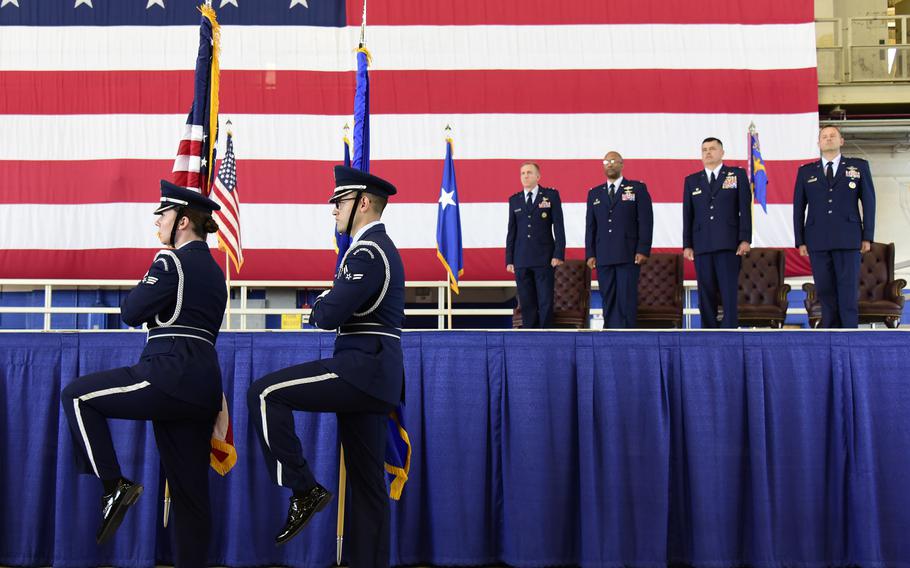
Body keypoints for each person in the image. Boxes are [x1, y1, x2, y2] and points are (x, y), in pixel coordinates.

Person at [61, 180, 227, 566]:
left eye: (164, 214)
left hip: (169, 373)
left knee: (77, 395)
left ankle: (114, 484)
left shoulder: (170, 261)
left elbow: (131, 311)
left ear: (183, 221)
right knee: (191, 496)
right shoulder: (216, 272)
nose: (157, 220)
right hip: (204, 385)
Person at [247, 166, 404, 567]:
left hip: (360, 366)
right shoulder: (378, 249)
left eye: (341, 201)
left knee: (264, 393)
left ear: (363, 204)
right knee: (368, 485)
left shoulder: (367, 252)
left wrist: (321, 301)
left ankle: (303, 488)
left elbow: (328, 314)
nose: (333, 208)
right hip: (376, 370)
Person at [793, 125, 875, 328]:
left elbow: (869, 202)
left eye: (832, 136)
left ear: (841, 141)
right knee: (825, 290)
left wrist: (867, 236)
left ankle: (849, 333)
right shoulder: (806, 172)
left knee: (847, 290)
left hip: (848, 237)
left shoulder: (858, 167)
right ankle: (829, 333)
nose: (828, 139)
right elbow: (798, 207)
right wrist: (800, 239)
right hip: (817, 239)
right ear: (818, 143)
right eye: (824, 136)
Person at [682, 137, 752, 328]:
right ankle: (708, 329)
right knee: (705, 291)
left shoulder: (736, 175)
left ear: (722, 152)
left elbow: (744, 209)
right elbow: (688, 214)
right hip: (702, 245)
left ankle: (729, 328)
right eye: (704, 150)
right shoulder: (692, 181)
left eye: (713, 149)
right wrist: (687, 244)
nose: (708, 152)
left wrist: (745, 238)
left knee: (728, 290)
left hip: (729, 244)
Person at [585, 151, 653, 328]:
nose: (610, 164)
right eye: (607, 161)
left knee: (626, 297)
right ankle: (610, 334)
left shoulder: (637, 188)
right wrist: (590, 253)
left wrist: (643, 249)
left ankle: (627, 334)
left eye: (614, 160)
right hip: (603, 255)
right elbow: (591, 226)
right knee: (608, 297)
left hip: (628, 253)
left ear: (622, 164)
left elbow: (646, 221)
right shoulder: (595, 193)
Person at [505, 161, 566, 327]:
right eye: (523, 173)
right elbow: (512, 231)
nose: (525, 176)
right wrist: (509, 259)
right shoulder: (515, 200)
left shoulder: (550, 196)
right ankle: (529, 335)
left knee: (545, 300)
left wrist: (558, 254)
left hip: (544, 258)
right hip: (521, 258)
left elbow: (559, 227)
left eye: (529, 172)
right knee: (526, 301)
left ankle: (546, 334)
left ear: (538, 176)